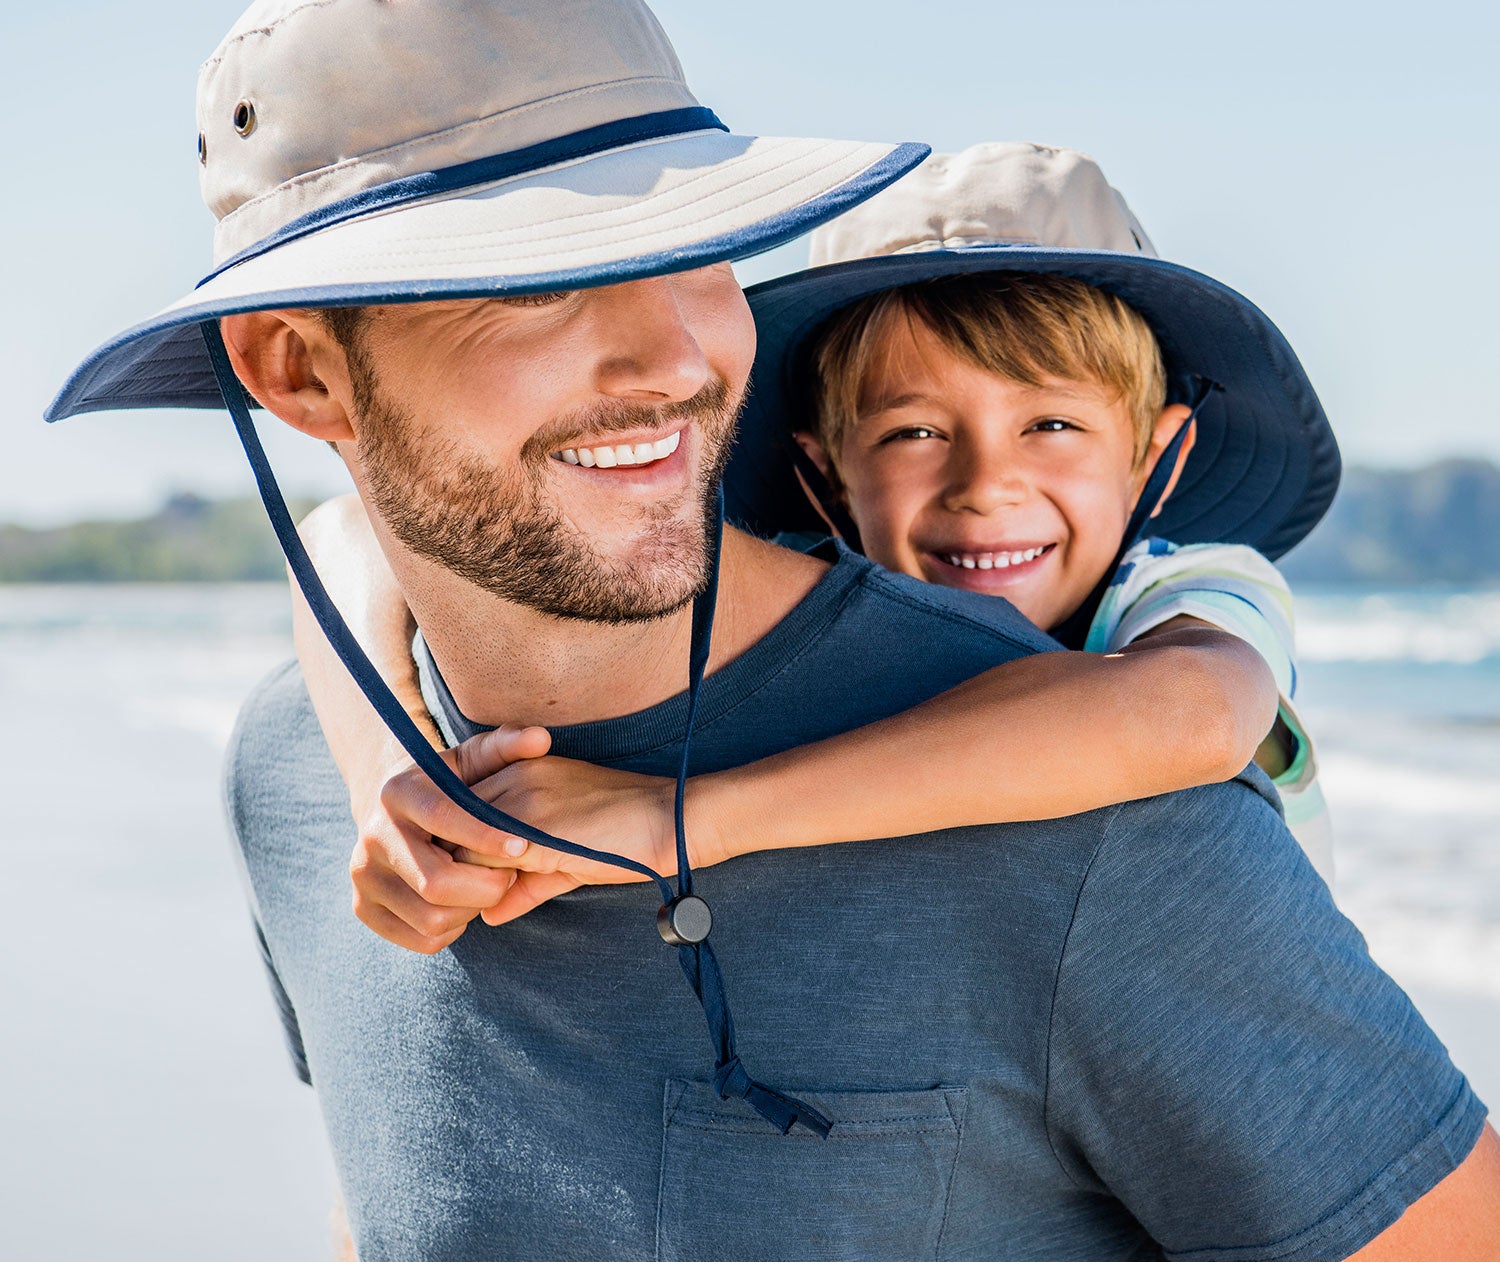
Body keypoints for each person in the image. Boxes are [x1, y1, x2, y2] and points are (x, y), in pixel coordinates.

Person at [47, 0, 1500, 1262]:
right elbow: (386, 1223)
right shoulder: (293, 770)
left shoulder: (1107, 807)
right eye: (543, 278)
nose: (675, 356)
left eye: (698, 253)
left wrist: (687, 818)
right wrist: (382, 772)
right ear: (297, 372)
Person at [300, 143, 1337, 950]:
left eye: (1054, 427)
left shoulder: (1187, 594)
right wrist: (392, 774)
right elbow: (344, 533)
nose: (986, 488)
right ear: (822, 468)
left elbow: (1192, 714)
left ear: (1159, 454)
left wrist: (679, 819)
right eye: (914, 433)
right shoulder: (810, 594)